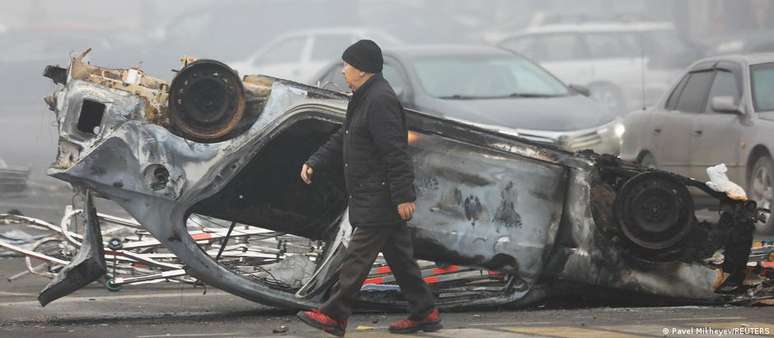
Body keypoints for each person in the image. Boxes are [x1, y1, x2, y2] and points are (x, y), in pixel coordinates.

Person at [296, 39, 441, 337]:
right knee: (401, 260)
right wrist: (315, 161)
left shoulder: (379, 100)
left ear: (362, 70)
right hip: (372, 192)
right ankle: (425, 312)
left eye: (347, 66)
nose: (343, 72)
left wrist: (403, 196)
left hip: (381, 194)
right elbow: (344, 138)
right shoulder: (363, 97)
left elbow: (395, 150)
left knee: (356, 259)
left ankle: (334, 315)